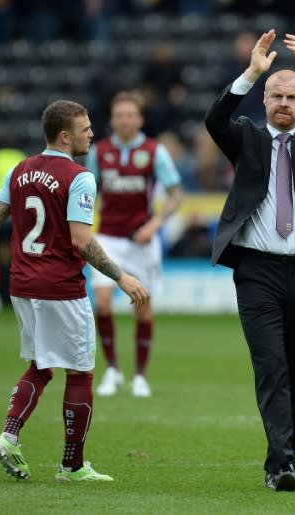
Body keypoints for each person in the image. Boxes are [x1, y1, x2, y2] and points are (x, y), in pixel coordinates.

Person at [205, 29, 295, 491]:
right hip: (256, 271)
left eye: (293, 96)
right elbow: (215, 121)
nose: (284, 103)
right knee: (271, 366)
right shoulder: (246, 138)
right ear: (265, 99)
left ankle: (282, 458)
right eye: (276, 95)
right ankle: (282, 464)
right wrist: (250, 73)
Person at [0, 99, 150, 482]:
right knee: (81, 372)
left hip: (21, 284)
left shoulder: (19, 170)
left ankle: (9, 435)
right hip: (61, 287)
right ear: (65, 136)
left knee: (41, 365)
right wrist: (122, 277)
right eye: (86, 129)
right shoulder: (80, 176)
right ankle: (72, 465)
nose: (92, 134)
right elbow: (81, 240)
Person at [86, 90, 183, 398]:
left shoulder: (154, 151)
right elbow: (87, 194)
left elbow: (175, 194)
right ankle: (112, 370)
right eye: (119, 116)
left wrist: (154, 224)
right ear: (112, 120)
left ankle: (140, 375)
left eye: (130, 115)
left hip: (141, 242)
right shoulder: (99, 152)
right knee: (101, 303)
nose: (124, 120)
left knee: (142, 308)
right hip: (106, 240)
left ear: (140, 119)